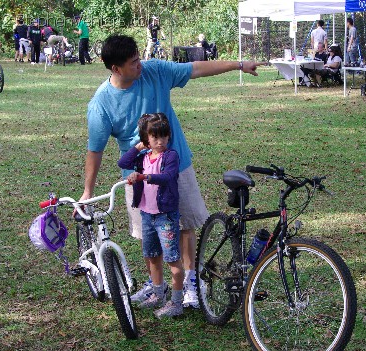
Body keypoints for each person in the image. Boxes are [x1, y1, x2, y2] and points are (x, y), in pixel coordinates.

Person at [81, 34, 265, 309]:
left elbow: (195, 69)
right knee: (148, 233)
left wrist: (239, 65)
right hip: (140, 178)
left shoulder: (154, 70)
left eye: (138, 58)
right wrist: (87, 193)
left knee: (184, 226)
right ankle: (157, 287)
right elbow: (95, 151)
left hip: (176, 167)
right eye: (133, 63)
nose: (139, 65)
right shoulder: (101, 104)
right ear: (116, 69)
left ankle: (191, 282)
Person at [117, 113, 184, 318]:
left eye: (163, 136)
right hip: (147, 214)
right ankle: (157, 294)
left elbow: (168, 177)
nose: (160, 141)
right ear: (146, 138)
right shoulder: (143, 157)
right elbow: (122, 163)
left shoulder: (170, 156)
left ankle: (176, 302)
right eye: (154, 137)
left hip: (165, 216)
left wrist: (144, 176)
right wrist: (138, 147)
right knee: (152, 256)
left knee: (172, 259)